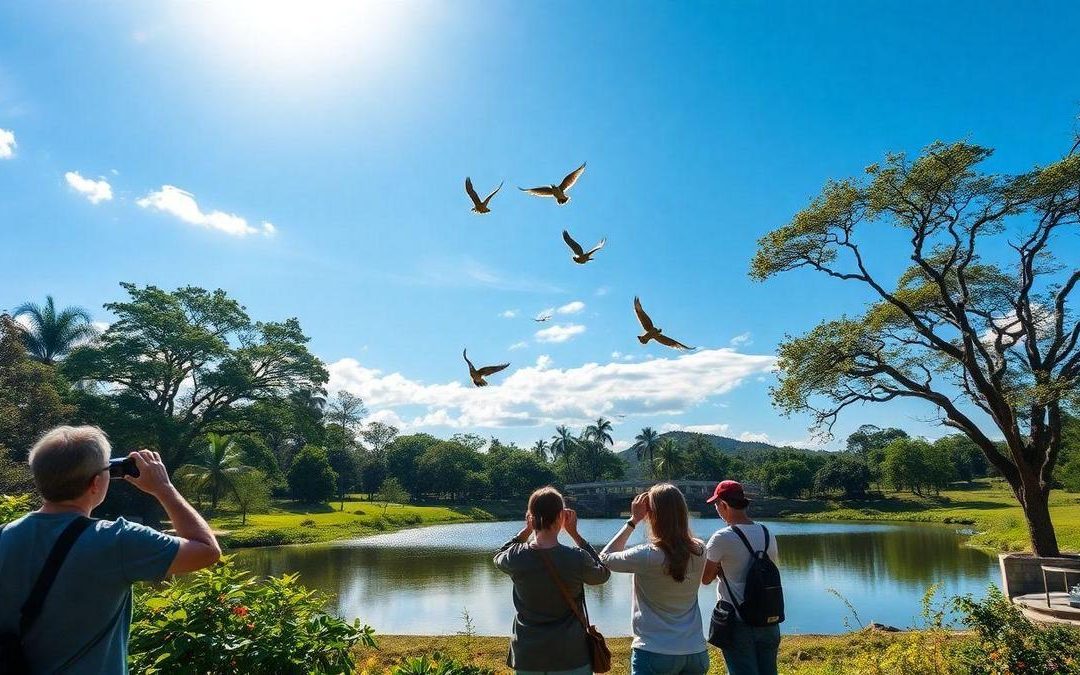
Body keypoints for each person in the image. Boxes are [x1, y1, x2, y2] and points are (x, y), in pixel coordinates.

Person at [0, 426, 221, 674]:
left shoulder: (4, 535)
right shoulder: (117, 540)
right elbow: (207, 550)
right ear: (96, 483)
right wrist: (164, 488)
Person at [494, 486, 610, 674]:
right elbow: (603, 574)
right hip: (571, 656)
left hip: (528, 655)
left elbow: (499, 555)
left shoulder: (515, 557)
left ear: (530, 517)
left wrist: (526, 530)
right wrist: (575, 535)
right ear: (561, 517)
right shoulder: (577, 557)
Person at [600, 483, 708, 675]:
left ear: (652, 514)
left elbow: (605, 558)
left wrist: (633, 521)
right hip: (695, 651)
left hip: (654, 650)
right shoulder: (700, 549)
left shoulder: (647, 555)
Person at [701, 480, 780, 675]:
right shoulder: (767, 532)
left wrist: (719, 568)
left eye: (717, 505)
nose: (717, 510)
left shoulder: (721, 538)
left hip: (738, 624)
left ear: (724, 505)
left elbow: (705, 578)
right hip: (769, 620)